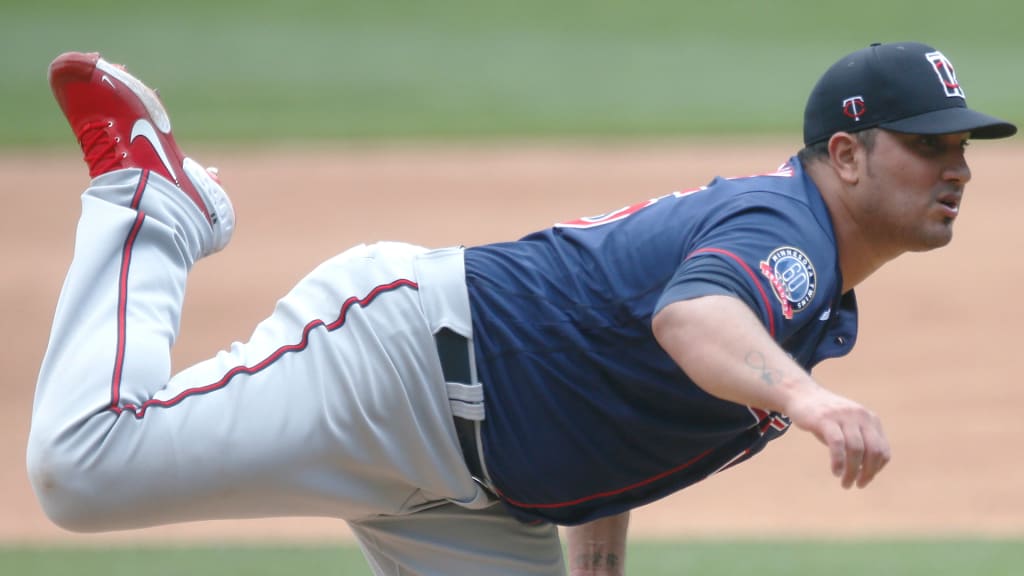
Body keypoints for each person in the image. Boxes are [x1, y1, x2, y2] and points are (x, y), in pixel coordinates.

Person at [27, 42, 1016, 576]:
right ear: (845, 155)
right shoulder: (785, 235)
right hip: (400, 369)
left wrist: (597, 564)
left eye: (962, 147)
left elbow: (628, 393)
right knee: (83, 470)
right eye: (928, 146)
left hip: (480, 502)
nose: (958, 168)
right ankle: (152, 204)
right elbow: (690, 320)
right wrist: (806, 399)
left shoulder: (810, 281)